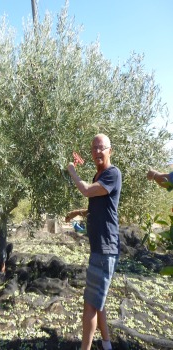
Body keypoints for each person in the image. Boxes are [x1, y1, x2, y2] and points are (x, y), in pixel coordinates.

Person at [66, 134, 122, 350]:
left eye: (102, 148)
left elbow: (88, 190)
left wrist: (72, 171)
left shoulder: (112, 174)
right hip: (99, 247)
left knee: (90, 304)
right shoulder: (99, 174)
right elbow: (98, 205)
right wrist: (78, 212)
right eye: (94, 148)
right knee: (99, 300)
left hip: (106, 248)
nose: (97, 151)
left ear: (110, 150)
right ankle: (106, 344)